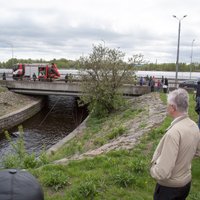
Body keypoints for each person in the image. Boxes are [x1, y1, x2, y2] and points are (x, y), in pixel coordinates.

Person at [150, 88, 200, 200]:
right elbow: (197, 152)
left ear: (173, 108)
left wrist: (153, 170)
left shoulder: (173, 133)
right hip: (185, 183)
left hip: (170, 189)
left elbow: (162, 172)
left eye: (168, 104)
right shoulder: (193, 125)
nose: (167, 107)